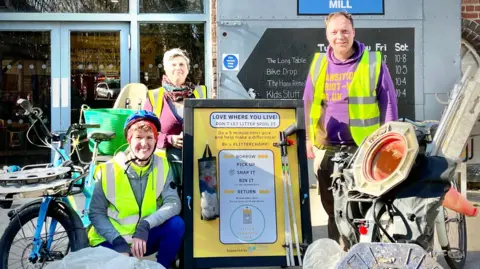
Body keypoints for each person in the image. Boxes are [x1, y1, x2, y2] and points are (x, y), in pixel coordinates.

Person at [303, 11, 398, 244]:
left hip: (364, 148)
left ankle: (364, 251)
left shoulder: (372, 61)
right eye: (334, 32)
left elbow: (389, 102)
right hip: (327, 148)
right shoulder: (319, 64)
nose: (340, 37)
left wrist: (389, 141)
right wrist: (308, 137)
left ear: (353, 32)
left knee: (363, 206)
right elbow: (307, 102)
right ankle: (338, 253)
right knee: (331, 207)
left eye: (345, 31)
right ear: (327, 35)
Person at [88, 110, 184, 268]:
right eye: (138, 137)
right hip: (113, 240)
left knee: (176, 224)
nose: (144, 144)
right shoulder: (109, 170)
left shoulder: (162, 165)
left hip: (144, 237)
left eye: (149, 138)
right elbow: (96, 213)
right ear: (129, 139)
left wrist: (145, 224)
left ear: (155, 140)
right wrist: (118, 241)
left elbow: (173, 203)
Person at [143, 48, 208, 186]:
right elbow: (143, 131)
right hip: (165, 169)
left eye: (182, 64)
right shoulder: (154, 97)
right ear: (166, 69)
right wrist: (169, 139)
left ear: (187, 70)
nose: (178, 67)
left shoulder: (201, 94)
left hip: (197, 164)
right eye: (173, 64)